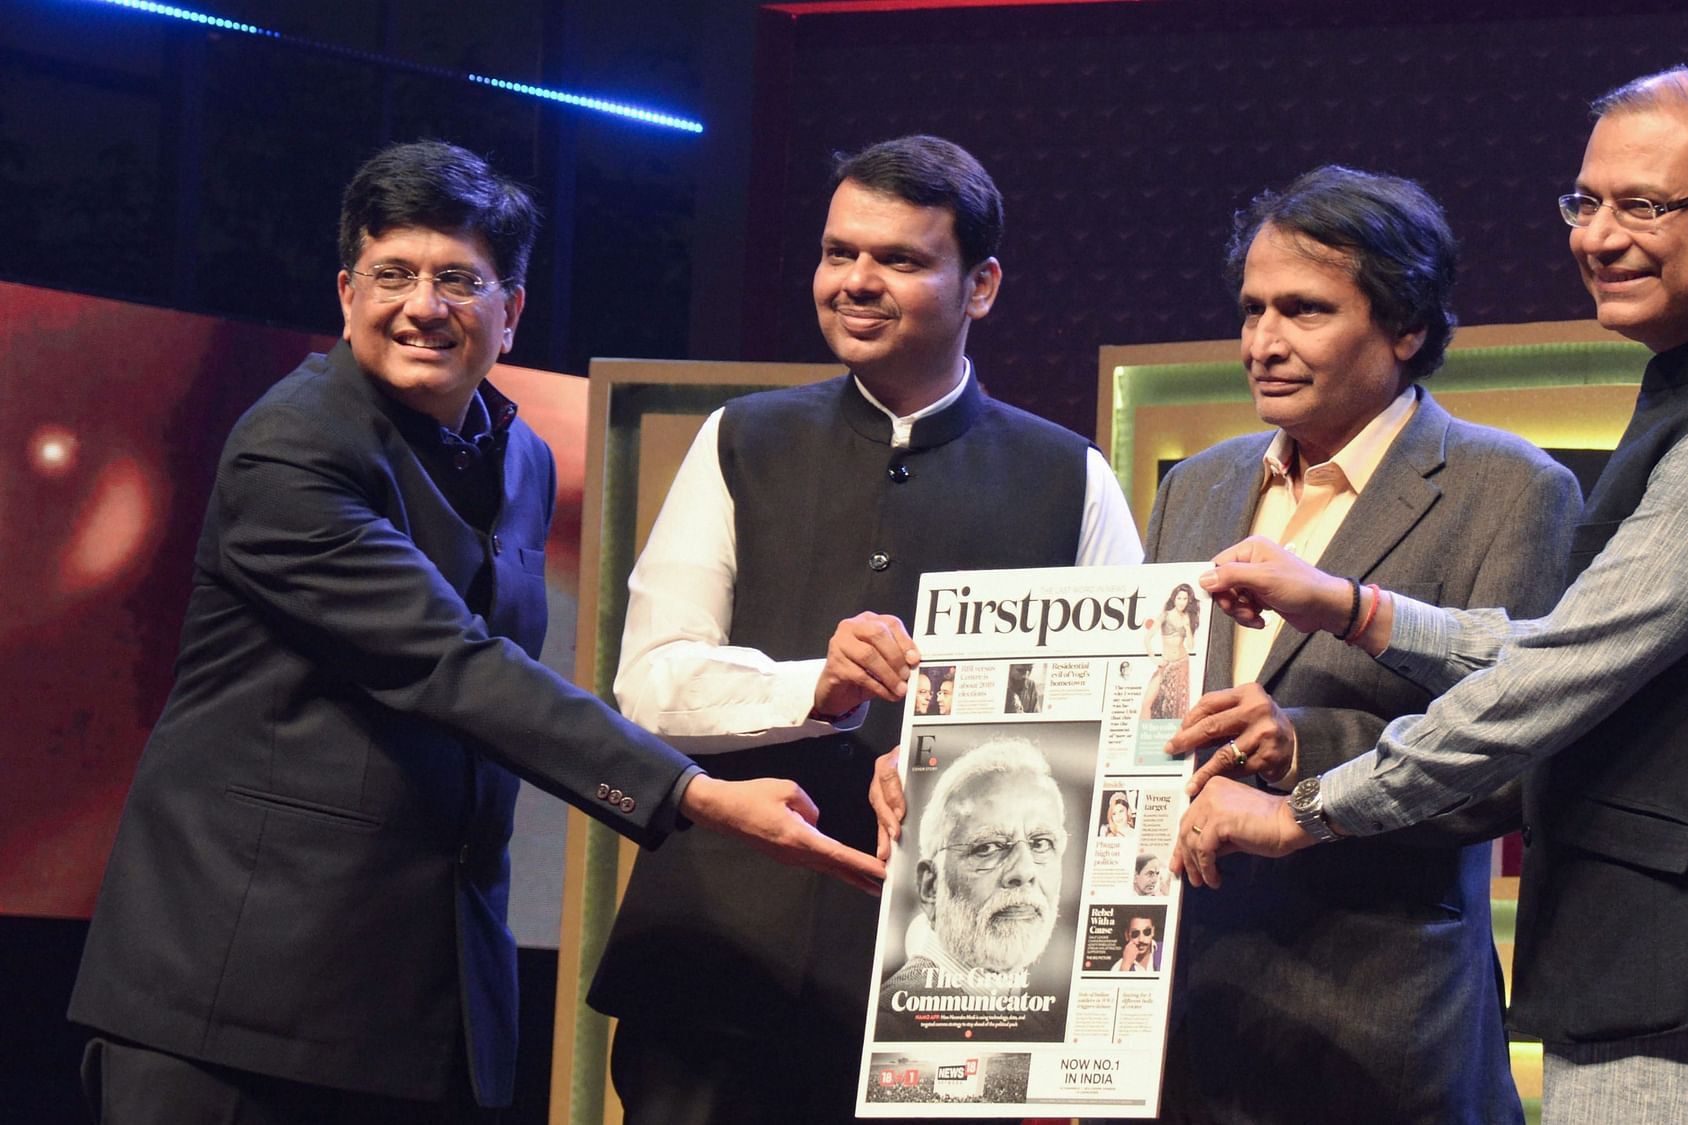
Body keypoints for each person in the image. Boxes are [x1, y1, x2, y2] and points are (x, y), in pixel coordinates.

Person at [1178, 69, 1688, 1123]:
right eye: (1582, 203)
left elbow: (1557, 675)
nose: (1596, 236)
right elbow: (1563, 642)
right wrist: (1356, 608)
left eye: (1641, 204)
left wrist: (1303, 813)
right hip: (1678, 994)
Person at [64, 141, 883, 1124]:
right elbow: (451, 666)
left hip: (415, 1004)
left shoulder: (524, 458)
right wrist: (696, 794)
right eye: (392, 274)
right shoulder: (292, 451)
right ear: (345, 291)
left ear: (512, 310)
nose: (422, 305)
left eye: (458, 279)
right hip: (233, 1001)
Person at [591, 135, 1142, 1124]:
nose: (856, 281)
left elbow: (1115, 729)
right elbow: (650, 681)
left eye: (897, 259)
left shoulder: (1070, 477)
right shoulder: (740, 437)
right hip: (720, 959)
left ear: (979, 285)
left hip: (953, 989)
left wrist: (958, 759)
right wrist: (814, 686)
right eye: (838, 252)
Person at [1146, 163, 1581, 1123]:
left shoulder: (1511, 489)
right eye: (1253, 309)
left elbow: (1516, 770)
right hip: (1194, 1019)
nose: (1263, 342)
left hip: (1384, 1026)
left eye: (1304, 310)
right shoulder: (1198, 485)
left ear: (1407, 325)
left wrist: (1306, 745)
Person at [874, 738, 1070, 1041]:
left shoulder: (1037, 1023)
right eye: (988, 847)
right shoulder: (891, 1024)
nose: (1024, 871)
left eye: (1041, 843)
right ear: (930, 886)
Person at [1138, 583, 1199, 719]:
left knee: (1175, 710)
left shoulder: (1188, 617)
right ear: (1174, 599)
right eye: (1179, 598)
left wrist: (1188, 628)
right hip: (1166, 664)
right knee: (1147, 702)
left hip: (1182, 665)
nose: (1182, 602)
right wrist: (1154, 658)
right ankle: (1143, 737)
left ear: (1189, 600)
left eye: (1185, 599)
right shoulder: (1165, 616)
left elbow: (1190, 646)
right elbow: (1147, 638)